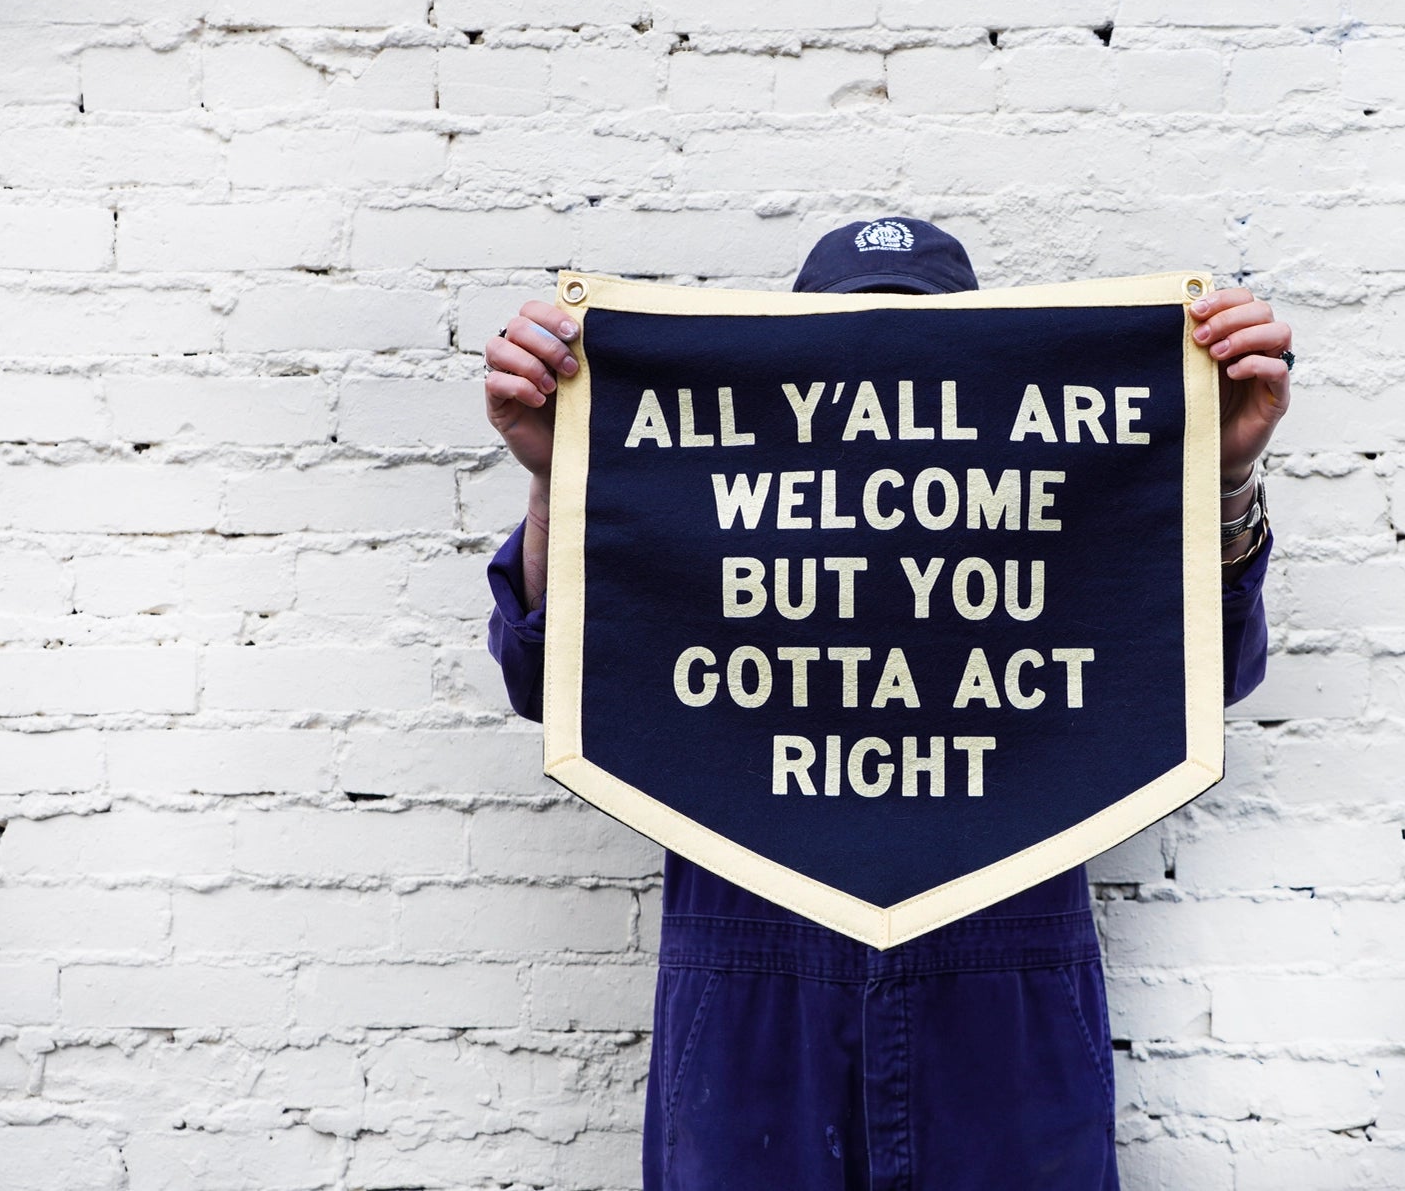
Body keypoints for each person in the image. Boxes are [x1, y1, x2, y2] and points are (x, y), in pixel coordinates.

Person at [480, 218, 1291, 1190]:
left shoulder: (1047, 511)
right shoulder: (712, 513)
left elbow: (1207, 677)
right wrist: (552, 480)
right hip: (750, 979)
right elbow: (545, 680)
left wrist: (1226, 473)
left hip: (1003, 975)